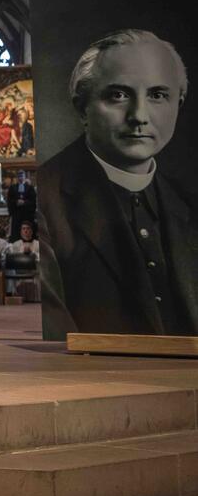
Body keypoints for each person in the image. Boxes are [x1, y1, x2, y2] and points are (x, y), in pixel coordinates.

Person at [39, 29, 198, 338]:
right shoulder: (46, 198)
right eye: (118, 95)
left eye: (157, 95)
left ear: (178, 102)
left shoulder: (188, 201)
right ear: (82, 107)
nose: (139, 116)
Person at [6, 169, 37, 240]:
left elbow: (33, 201)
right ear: (17, 177)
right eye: (19, 176)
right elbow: (9, 200)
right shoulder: (12, 188)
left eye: (22, 176)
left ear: (25, 177)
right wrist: (16, 202)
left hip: (27, 214)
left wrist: (24, 202)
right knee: (16, 234)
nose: (20, 177)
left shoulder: (30, 188)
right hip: (17, 214)